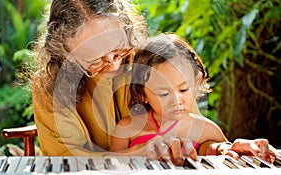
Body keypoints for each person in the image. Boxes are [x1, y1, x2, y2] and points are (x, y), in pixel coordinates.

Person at [31, 0, 278, 165]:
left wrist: (222, 149)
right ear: (65, 53)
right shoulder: (52, 86)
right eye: (96, 60)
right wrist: (136, 154)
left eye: (118, 51)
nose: (116, 66)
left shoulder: (148, 64)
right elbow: (68, 164)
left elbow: (190, 136)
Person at [109, 33, 278, 164]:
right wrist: (139, 152)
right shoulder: (127, 128)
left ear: (196, 82)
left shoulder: (206, 129)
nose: (176, 100)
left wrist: (233, 150)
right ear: (141, 94)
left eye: (184, 89)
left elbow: (226, 155)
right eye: (163, 93)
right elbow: (105, 165)